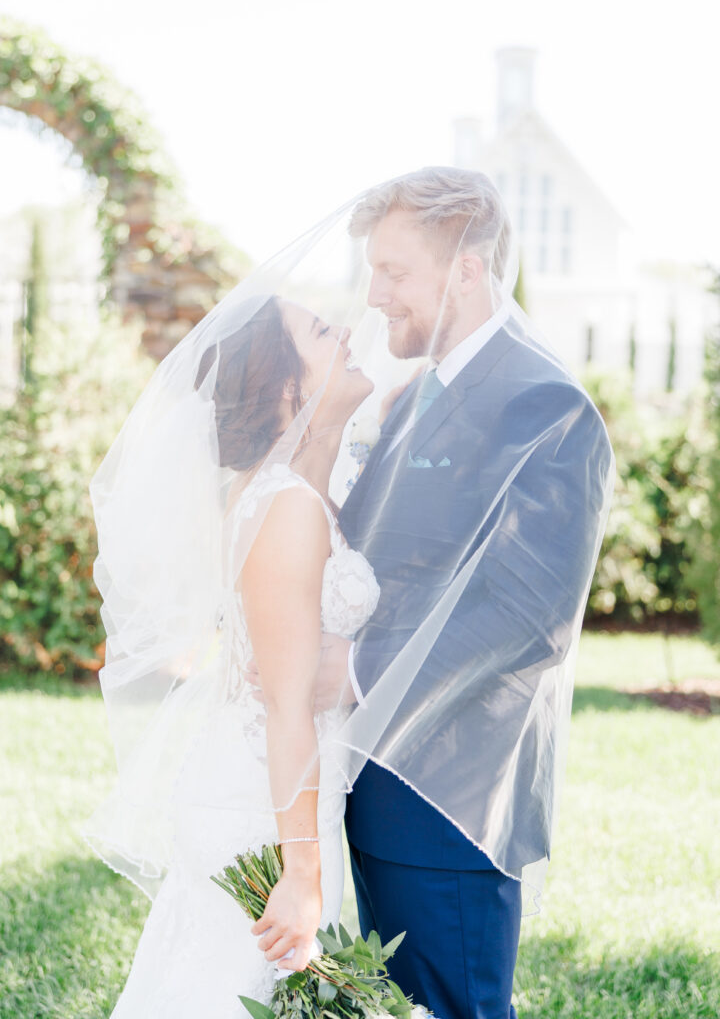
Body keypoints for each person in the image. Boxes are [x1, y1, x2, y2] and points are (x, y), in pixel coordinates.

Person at [310, 167, 615, 1019]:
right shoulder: (418, 396)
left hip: (450, 798)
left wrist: (358, 672)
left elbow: (531, 614)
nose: (375, 296)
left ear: (469, 270)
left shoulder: (545, 405)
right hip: (375, 784)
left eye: (395, 272)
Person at [83, 295, 380, 1017]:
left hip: (278, 797)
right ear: (289, 388)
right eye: (319, 331)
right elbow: (284, 702)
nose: (344, 328)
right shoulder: (284, 506)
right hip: (263, 813)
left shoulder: (300, 492)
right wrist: (301, 871)